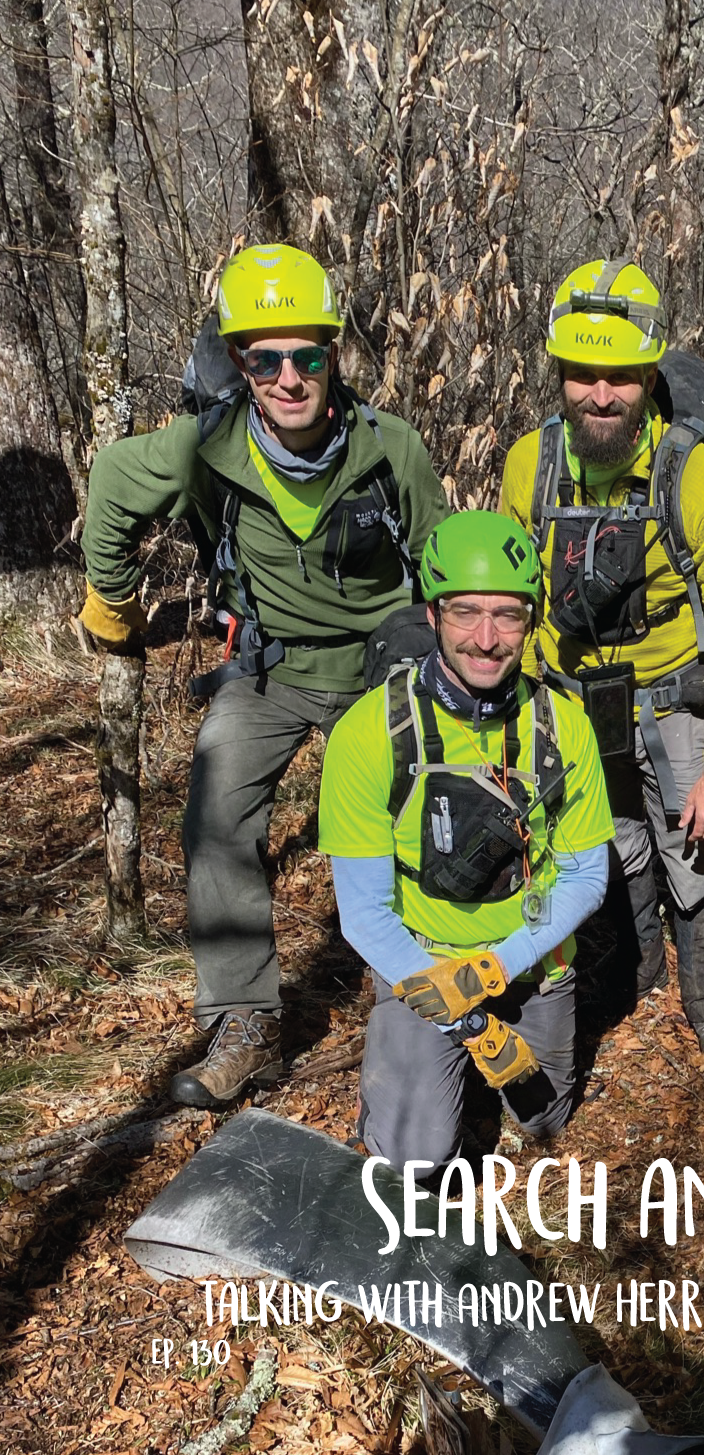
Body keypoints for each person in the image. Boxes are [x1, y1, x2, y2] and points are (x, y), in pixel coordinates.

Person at [79, 243, 449, 1108]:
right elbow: (113, 480)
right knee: (215, 813)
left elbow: (445, 565)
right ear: (240, 364)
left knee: (422, 811)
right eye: (264, 359)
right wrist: (112, 602)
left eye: (307, 357)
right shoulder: (204, 446)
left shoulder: (390, 448)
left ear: (333, 355)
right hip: (270, 666)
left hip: (378, 664)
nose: (288, 378)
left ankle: (415, 984)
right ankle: (246, 1020)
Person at [500, 259, 704, 1056]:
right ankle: (642, 961)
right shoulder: (529, 466)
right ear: (559, 374)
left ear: (649, 377)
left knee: (693, 852)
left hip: (673, 699)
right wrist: (517, 721)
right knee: (614, 841)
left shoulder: (693, 474)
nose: (600, 395)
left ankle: (702, 992)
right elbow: (512, 605)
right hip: (573, 701)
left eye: (619, 377)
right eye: (583, 375)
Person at [318, 511, 614, 1167]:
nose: (486, 638)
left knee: (543, 1122)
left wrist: (495, 968)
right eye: (465, 612)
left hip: (532, 961)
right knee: (413, 1163)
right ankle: (407, 1079)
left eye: (507, 615)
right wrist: (468, 1019)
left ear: (530, 621)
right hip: (422, 964)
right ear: (433, 613)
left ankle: (464, 1063)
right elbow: (364, 913)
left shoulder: (563, 727)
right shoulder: (369, 733)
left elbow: (586, 875)